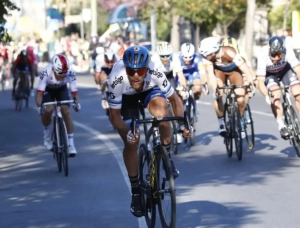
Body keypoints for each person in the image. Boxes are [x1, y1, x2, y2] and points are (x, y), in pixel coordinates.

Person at [108, 46, 191, 217]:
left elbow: (175, 100)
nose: (136, 75)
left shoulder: (156, 71)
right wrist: (127, 131)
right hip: (126, 98)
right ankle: (136, 191)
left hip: (150, 91)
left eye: (141, 70)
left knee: (162, 115)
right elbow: (114, 116)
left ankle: (166, 156)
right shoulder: (116, 77)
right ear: (125, 68)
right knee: (132, 142)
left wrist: (182, 125)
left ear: (148, 67)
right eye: (131, 71)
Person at [198, 37, 254, 137]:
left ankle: (240, 120)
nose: (203, 57)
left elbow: (245, 70)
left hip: (234, 72)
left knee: (241, 100)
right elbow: (211, 76)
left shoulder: (230, 52)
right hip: (219, 73)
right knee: (218, 95)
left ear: (212, 52)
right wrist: (215, 90)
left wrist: (250, 82)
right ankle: (221, 123)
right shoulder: (208, 59)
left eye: (205, 55)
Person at [35, 54, 81, 156]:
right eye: (60, 73)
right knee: (48, 110)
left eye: (64, 73)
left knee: (66, 111)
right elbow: (39, 94)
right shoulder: (46, 72)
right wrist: (39, 106)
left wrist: (76, 104)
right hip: (48, 90)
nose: (62, 76)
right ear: (54, 69)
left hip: (61, 89)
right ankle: (47, 136)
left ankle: (71, 144)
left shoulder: (70, 73)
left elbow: (75, 93)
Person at [256, 36, 300, 139]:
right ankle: (281, 125)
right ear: (269, 51)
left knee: (298, 92)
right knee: (275, 96)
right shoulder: (262, 54)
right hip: (270, 75)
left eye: (279, 55)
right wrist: (267, 95)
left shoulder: (288, 49)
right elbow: (260, 81)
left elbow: (298, 69)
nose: (276, 58)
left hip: (285, 71)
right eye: (273, 55)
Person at [94, 50, 117, 114]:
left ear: (114, 59)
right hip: (103, 69)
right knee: (103, 78)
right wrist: (99, 83)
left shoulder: (117, 59)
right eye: (108, 62)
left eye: (112, 62)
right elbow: (97, 74)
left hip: (113, 69)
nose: (110, 63)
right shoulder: (99, 59)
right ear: (104, 60)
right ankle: (103, 95)